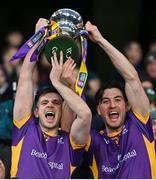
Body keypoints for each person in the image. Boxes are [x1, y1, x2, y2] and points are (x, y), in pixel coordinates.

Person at [11, 18, 92, 179]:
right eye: (44, 103)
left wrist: (63, 83)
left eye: (56, 103)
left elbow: (85, 114)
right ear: (36, 111)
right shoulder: (24, 130)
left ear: (62, 112)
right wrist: (38, 39)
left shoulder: (71, 143)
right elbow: (25, 77)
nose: (50, 106)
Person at [84, 21, 156, 178]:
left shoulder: (139, 125)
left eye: (118, 99)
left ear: (128, 105)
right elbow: (78, 117)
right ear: (98, 109)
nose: (112, 105)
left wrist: (101, 40)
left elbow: (131, 77)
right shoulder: (93, 140)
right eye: (105, 101)